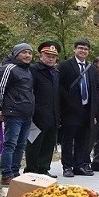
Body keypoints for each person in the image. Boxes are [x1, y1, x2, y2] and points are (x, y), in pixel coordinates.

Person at [0, 43, 35, 185]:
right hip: (13, 113)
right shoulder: (9, 68)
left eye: (30, 53)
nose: (27, 55)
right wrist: (1, 108)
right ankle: (6, 175)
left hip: (26, 114)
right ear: (16, 54)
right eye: (24, 52)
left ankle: (16, 173)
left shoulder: (27, 70)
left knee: (21, 145)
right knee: (10, 144)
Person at [58, 39, 99, 178]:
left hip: (87, 109)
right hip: (70, 110)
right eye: (80, 48)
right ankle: (67, 166)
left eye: (86, 49)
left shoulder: (92, 68)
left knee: (83, 139)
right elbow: (60, 87)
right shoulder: (65, 65)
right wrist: (68, 102)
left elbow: (95, 89)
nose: (83, 51)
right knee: (68, 139)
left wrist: (94, 111)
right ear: (74, 49)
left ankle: (79, 165)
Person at [25, 41, 62, 178]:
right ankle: (32, 170)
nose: (51, 58)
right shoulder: (33, 70)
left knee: (48, 143)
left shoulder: (56, 72)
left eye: (53, 56)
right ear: (41, 55)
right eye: (47, 55)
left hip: (52, 113)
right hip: (37, 114)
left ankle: (44, 168)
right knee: (34, 143)